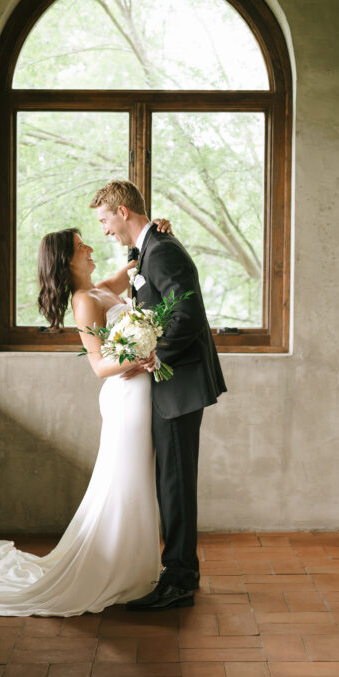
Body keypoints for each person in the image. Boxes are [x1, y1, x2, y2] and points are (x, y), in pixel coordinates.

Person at [0, 221, 171, 617]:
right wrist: (140, 355)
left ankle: (137, 566)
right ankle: (122, 570)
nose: (90, 248)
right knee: (127, 479)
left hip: (140, 390)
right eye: (81, 246)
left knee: (138, 478)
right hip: (125, 396)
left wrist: (160, 230)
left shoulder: (104, 287)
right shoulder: (84, 300)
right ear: (67, 260)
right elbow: (99, 365)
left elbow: (138, 256)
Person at [91, 180, 226, 612]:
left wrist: (155, 354)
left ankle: (180, 581)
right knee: (171, 480)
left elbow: (186, 314)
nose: (104, 230)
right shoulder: (150, 249)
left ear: (123, 211)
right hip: (169, 383)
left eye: (105, 219)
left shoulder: (162, 250)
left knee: (176, 481)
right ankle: (180, 570)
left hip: (177, 383)